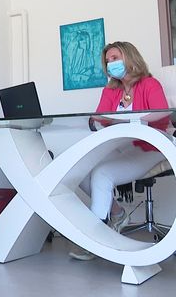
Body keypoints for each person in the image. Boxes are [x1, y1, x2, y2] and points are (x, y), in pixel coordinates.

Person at [69, 41, 169, 261]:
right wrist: (107, 119)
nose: (110, 63)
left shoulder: (150, 84)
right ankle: (117, 213)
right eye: (108, 61)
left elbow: (161, 114)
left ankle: (94, 240)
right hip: (121, 145)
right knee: (81, 171)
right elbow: (100, 116)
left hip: (150, 148)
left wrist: (127, 118)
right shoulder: (111, 89)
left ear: (129, 57)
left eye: (115, 58)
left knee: (103, 174)